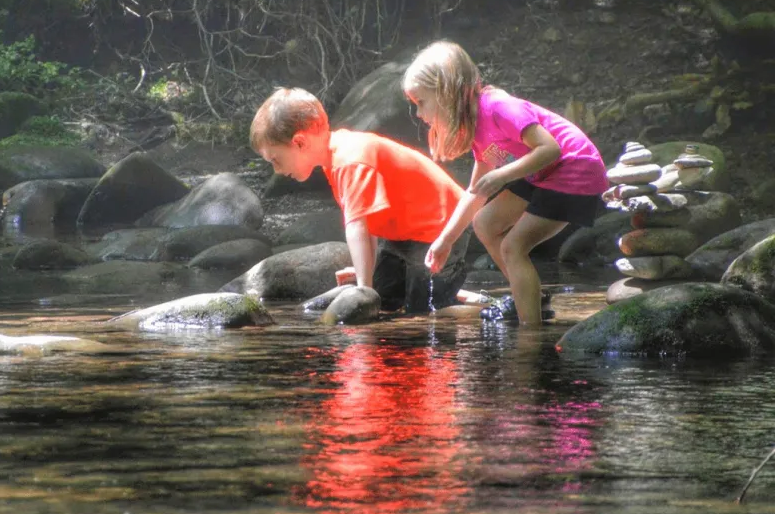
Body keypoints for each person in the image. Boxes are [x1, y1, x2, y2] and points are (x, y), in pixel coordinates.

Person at [402, 40, 607, 324]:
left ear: (445, 91)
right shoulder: (481, 132)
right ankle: (530, 298)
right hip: (542, 171)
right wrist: (445, 241)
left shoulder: (498, 108)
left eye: (421, 102)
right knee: (485, 222)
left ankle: (530, 335)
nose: (418, 113)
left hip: (574, 169)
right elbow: (476, 191)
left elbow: (549, 149)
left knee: (514, 247)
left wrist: (502, 174)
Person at [249, 87, 470, 313]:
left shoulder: (349, 161)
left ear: (300, 143)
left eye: (276, 159)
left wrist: (363, 290)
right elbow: (368, 224)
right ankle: (461, 296)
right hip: (405, 237)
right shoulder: (336, 158)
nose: (277, 170)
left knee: (425, 313)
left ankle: (474, 312)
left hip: (443, 229)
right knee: (385, 301)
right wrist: (365, 272)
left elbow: (357, 229)